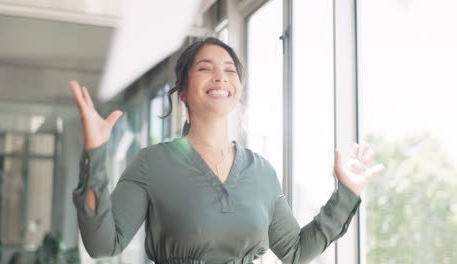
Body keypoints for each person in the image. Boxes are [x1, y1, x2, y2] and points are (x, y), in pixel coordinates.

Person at [70, 37, 384, 264]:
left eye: (230, 70)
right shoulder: (152, 164)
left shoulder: (261, 171)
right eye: (205, 68)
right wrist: (95, 152)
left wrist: (346, 194)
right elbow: (103, 245)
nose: (221, 75)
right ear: (182, 92)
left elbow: (296, 251)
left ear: (238, 91)